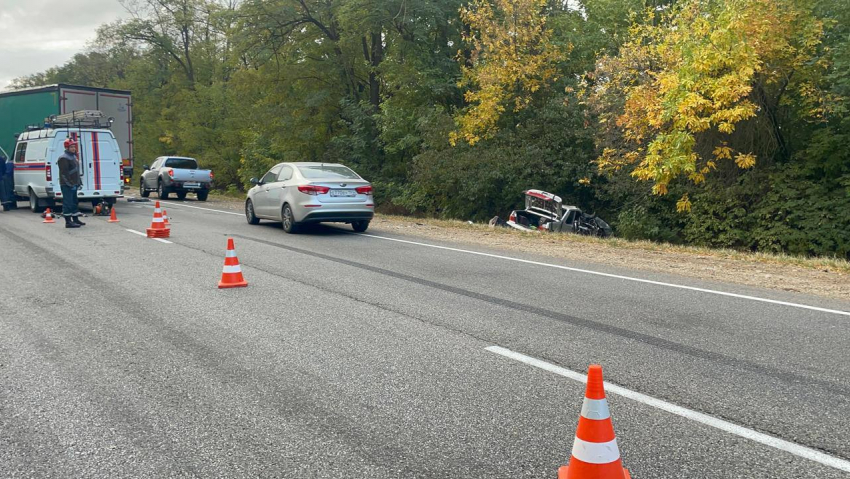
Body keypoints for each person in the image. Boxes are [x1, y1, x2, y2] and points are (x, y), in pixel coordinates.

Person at [57, 138, 85, 228]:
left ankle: (75, 219)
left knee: (74, 202)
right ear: (67, 147)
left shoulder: (73, 157)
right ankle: (68, 222)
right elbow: (64, 173)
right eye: (71, 147)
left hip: (74, 184)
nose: (73, 148)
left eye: (74, 146)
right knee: (68, 203)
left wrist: (78, 182)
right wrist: (69, 184)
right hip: (67, 185)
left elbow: (75, 171)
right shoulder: (63, 158)